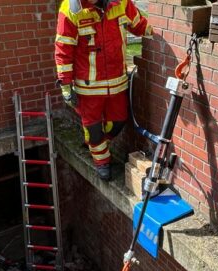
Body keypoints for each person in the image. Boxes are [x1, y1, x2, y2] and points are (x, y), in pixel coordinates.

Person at [55, 0, 152, 180]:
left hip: (117, 82)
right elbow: (63, 49)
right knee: (93, 128)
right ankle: (102, 161)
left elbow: (140, 25)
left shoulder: (121, 3)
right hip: (88, 87)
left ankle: (95, 143)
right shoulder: (71, 9)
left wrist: (165, 34)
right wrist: (66, 86)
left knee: (119, 121)